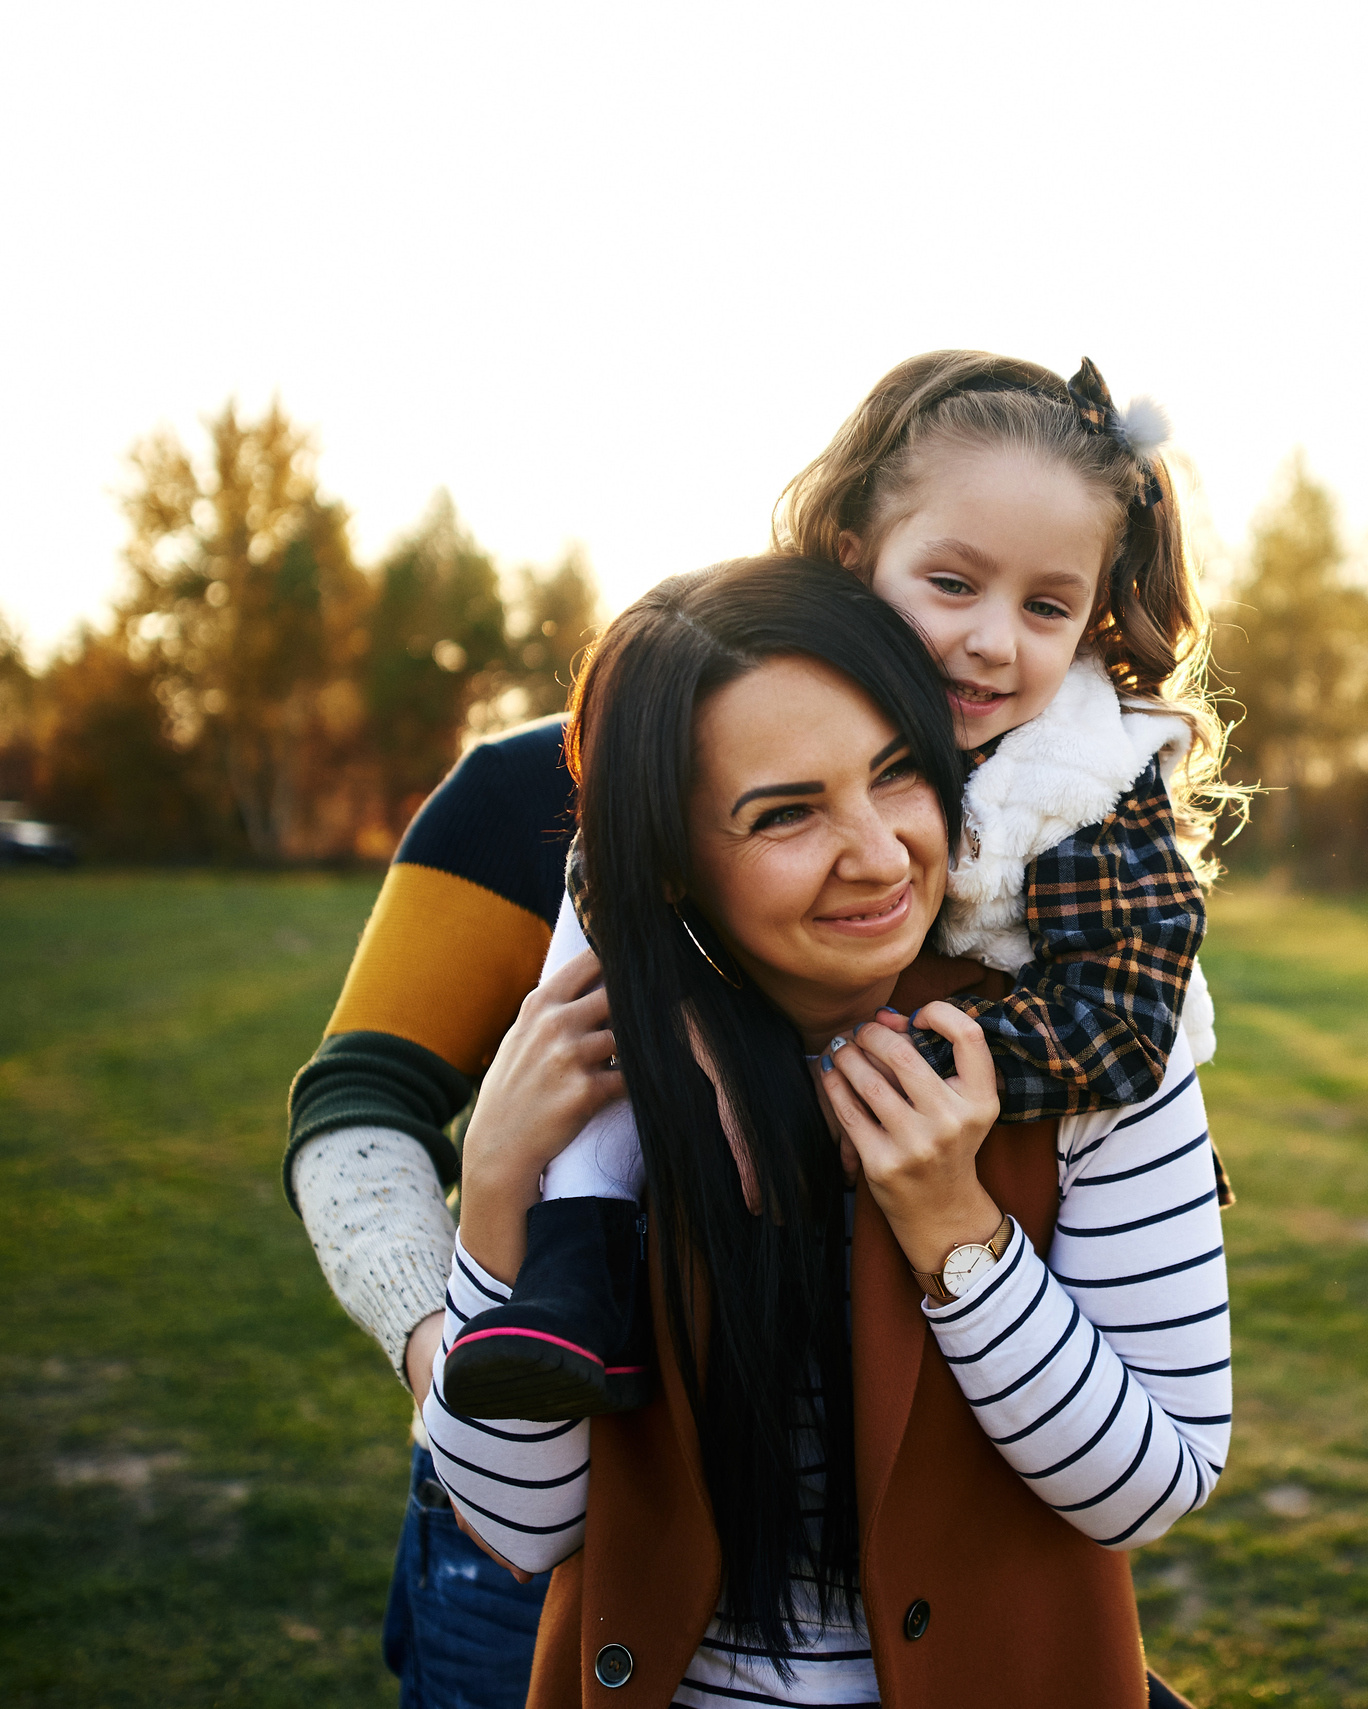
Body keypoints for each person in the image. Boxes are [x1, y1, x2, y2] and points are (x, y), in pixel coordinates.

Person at [282, 352, 1230, 1705]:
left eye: (904, 776)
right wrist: (491, 1198)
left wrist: (954, 1222)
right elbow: (364, 1102)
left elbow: (1149, 1473)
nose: (879, 851)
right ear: (857, 549)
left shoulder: (1062, 974)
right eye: (782, 811)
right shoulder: (555, 823)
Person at [443, 355, 1226, 1420]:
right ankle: (579, 1251)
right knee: (597, 928)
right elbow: (624, 865)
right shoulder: (771, 682)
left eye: (1046, 606)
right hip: (723, 1034)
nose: (990, 641)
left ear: (1092, 619)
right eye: (952, 584)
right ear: (856, 558)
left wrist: (864, 1075)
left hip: (984, 1078)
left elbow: (1126, 1015)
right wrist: (678, 1012)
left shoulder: (1086, 779)